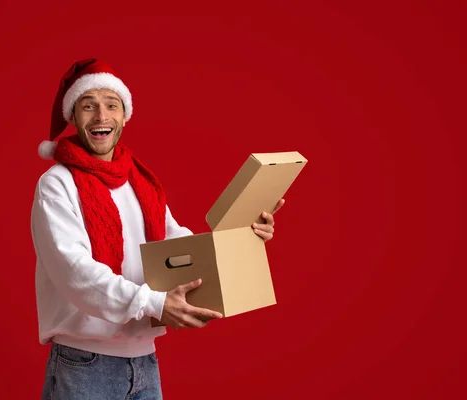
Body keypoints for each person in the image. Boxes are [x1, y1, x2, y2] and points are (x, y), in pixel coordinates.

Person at [30, 58, 284, 400]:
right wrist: (154, 302)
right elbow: (75, 272)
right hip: (84, 364)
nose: (101, 117)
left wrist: (241, 235)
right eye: (88, 106)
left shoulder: (140, 180)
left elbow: (173, 245)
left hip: (145, 361)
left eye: (111, 106)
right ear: (73, 117)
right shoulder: (56, 184)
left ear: (124, 116)